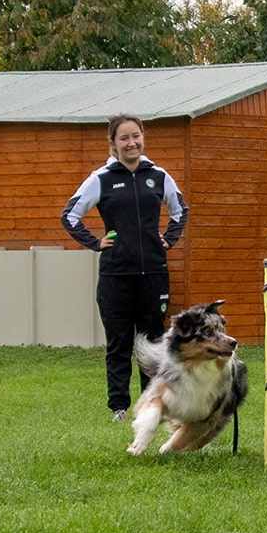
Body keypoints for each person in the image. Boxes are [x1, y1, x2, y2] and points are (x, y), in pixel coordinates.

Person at [61, 115, 189, 420]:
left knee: (153, 343)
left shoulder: (157, 176)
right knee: (119, 342)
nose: (131, 143)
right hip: (115, 276)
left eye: (136, 136)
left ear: (143, 137)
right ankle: (119, 406)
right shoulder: (101, 178)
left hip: (154, 274)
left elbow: (180, 210)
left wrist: (169, 240)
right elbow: (69, 216)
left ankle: (153, 405)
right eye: (124, 138)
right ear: (113, 144)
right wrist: (95, 242)